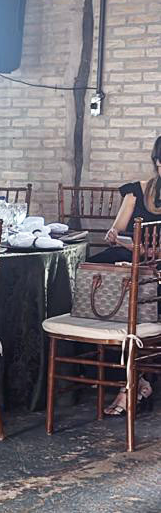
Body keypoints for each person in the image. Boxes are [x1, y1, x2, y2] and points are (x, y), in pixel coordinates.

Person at [93, 135, 161, 415]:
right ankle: (136, 380)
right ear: (157, 162)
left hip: (156, 265)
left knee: (145, 293)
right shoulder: (136, 191)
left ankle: (133, 383)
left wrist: (149, 251)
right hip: (130, 256)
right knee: (97, 271)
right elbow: (117, 230)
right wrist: (114, 235)